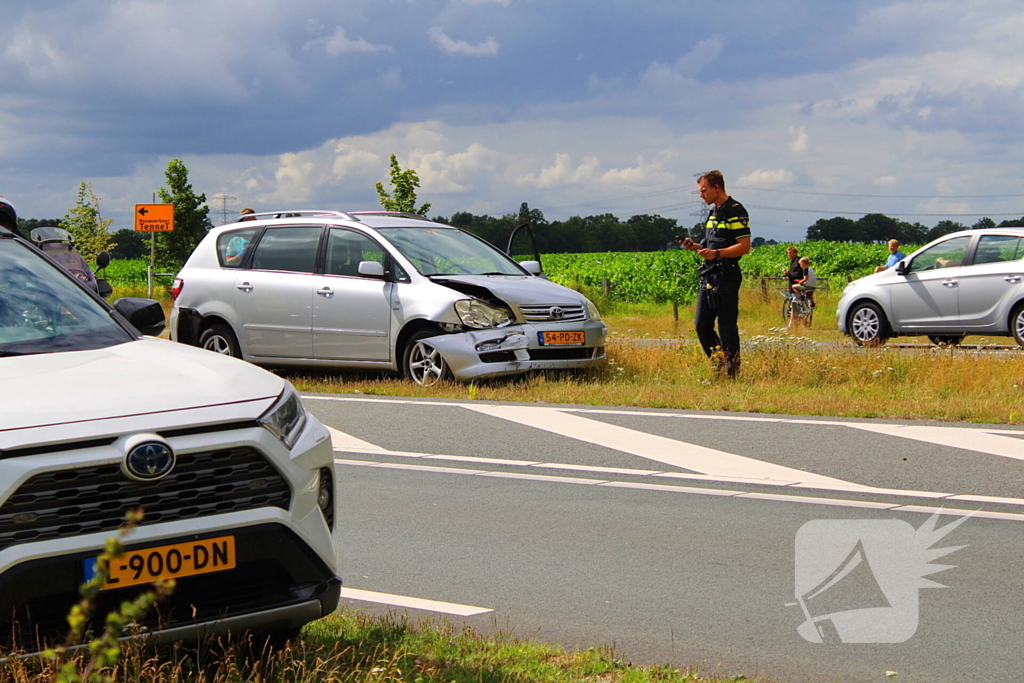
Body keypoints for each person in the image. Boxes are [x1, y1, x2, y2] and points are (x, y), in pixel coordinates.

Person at [679, 170, 751, 378]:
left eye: (703, 191)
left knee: (727, 324)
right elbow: (710, 245)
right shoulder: (713, 213)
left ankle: (732, 370)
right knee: (701, 324)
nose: (701, 195)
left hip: (727, 274)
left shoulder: (735, 210)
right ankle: (719, 362)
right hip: (710, 275)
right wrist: (694, 247)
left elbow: (744, 246)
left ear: (716, 188)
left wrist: (717, 253)